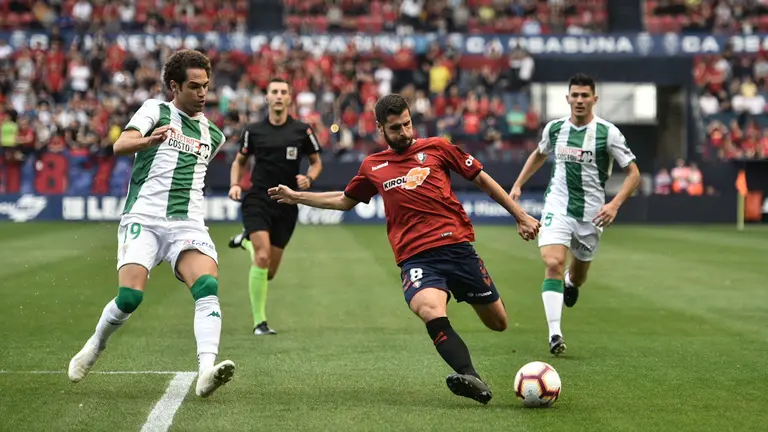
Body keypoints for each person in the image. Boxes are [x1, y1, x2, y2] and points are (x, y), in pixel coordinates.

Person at [268, 94, 540, 404]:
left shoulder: (437, 147)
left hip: (457, 248)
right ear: (380, 129)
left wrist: (520, 215)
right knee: (429, 309)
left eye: (408, 124)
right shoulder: (373, 165)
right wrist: (296, 197)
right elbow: (345, 200)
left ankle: (471, 324)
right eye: (396, 128)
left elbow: (481, 179)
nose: (405, 132)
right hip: (417, 257)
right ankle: (473, 378)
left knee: (499, 323)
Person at [68, 49, 235, 398]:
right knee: (129, 297)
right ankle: (95, 345)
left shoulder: (214, 135)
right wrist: (150, 139)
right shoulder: (154, 110)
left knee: (206, 286)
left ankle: (206, 371)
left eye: (206, 86)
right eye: (194, 86)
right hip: (143, 217)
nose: (203, 93)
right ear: (174, 86)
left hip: (187, 223)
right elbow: (120, 145)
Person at [508, 73, 641, 356]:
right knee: (554, 262)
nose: (579, 100)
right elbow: (539, 154)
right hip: (557, 207)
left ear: (595, 99)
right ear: (567, 98)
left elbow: (634, 174)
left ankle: (571, 283)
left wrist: (614, 204)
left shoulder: (608, 133)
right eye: (575, 95)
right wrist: (518, 184)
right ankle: (555, 333)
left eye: (585, 96)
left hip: (592, 216)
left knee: (578, 276)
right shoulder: (555, 129)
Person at [227, 78, 323, 336]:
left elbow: (316, 162)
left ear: (289, 98)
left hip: (287, 203)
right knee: (262, 257)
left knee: (268, 272)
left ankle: (246, 241)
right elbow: (239, 161)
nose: (278, 96)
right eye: (274, 92)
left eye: (283, 92)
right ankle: (260, 323)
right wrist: (235, 184)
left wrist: (309, 178)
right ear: (267, 98)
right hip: (257, 199)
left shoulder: (303, 131)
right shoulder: (253, 130)